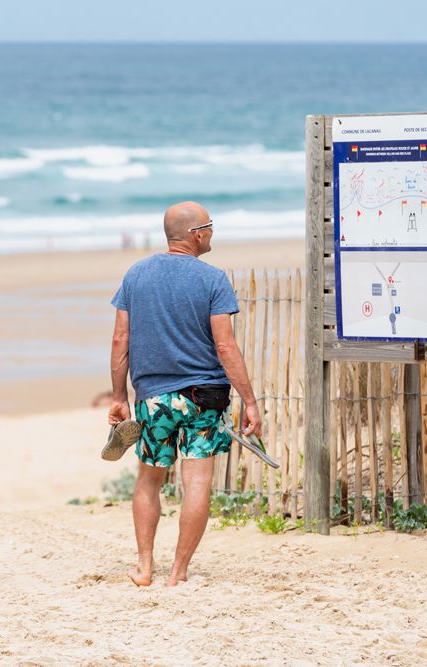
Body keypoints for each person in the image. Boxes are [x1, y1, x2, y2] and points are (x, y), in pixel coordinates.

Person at [108, 201, 261, 587]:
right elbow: (225, 347)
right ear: (197, 234)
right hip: (202, 396)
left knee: (148, 479)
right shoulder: (212, 280)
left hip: (153, 398)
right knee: (197, 483)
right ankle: (177, 572)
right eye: (209, 226)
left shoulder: (136, 276)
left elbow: (120, 339)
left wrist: (118, 396)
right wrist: (251, 401)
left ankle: (144, 567)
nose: (212, 232)